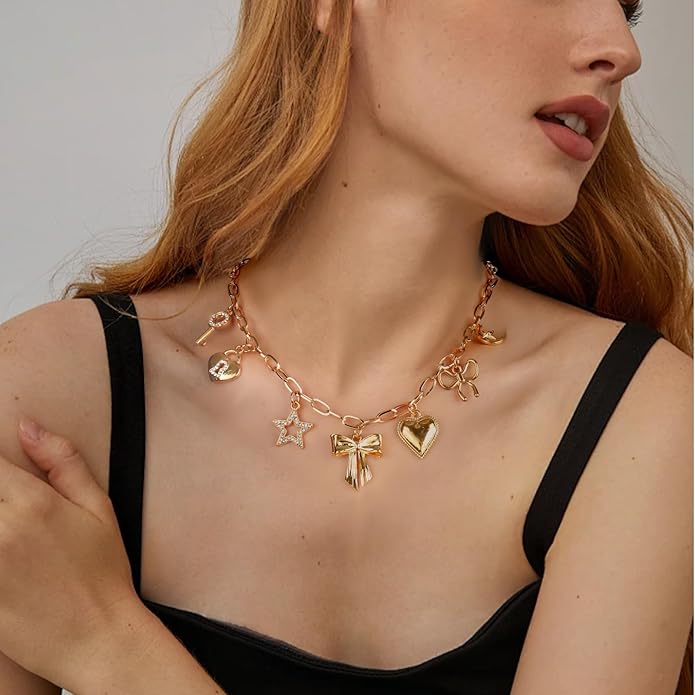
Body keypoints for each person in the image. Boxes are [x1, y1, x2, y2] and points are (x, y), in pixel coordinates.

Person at [0, 0, 692, 693]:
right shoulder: (52, 391)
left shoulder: (641, 417)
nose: (620, 49)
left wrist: (107, 645)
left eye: (627, 9)